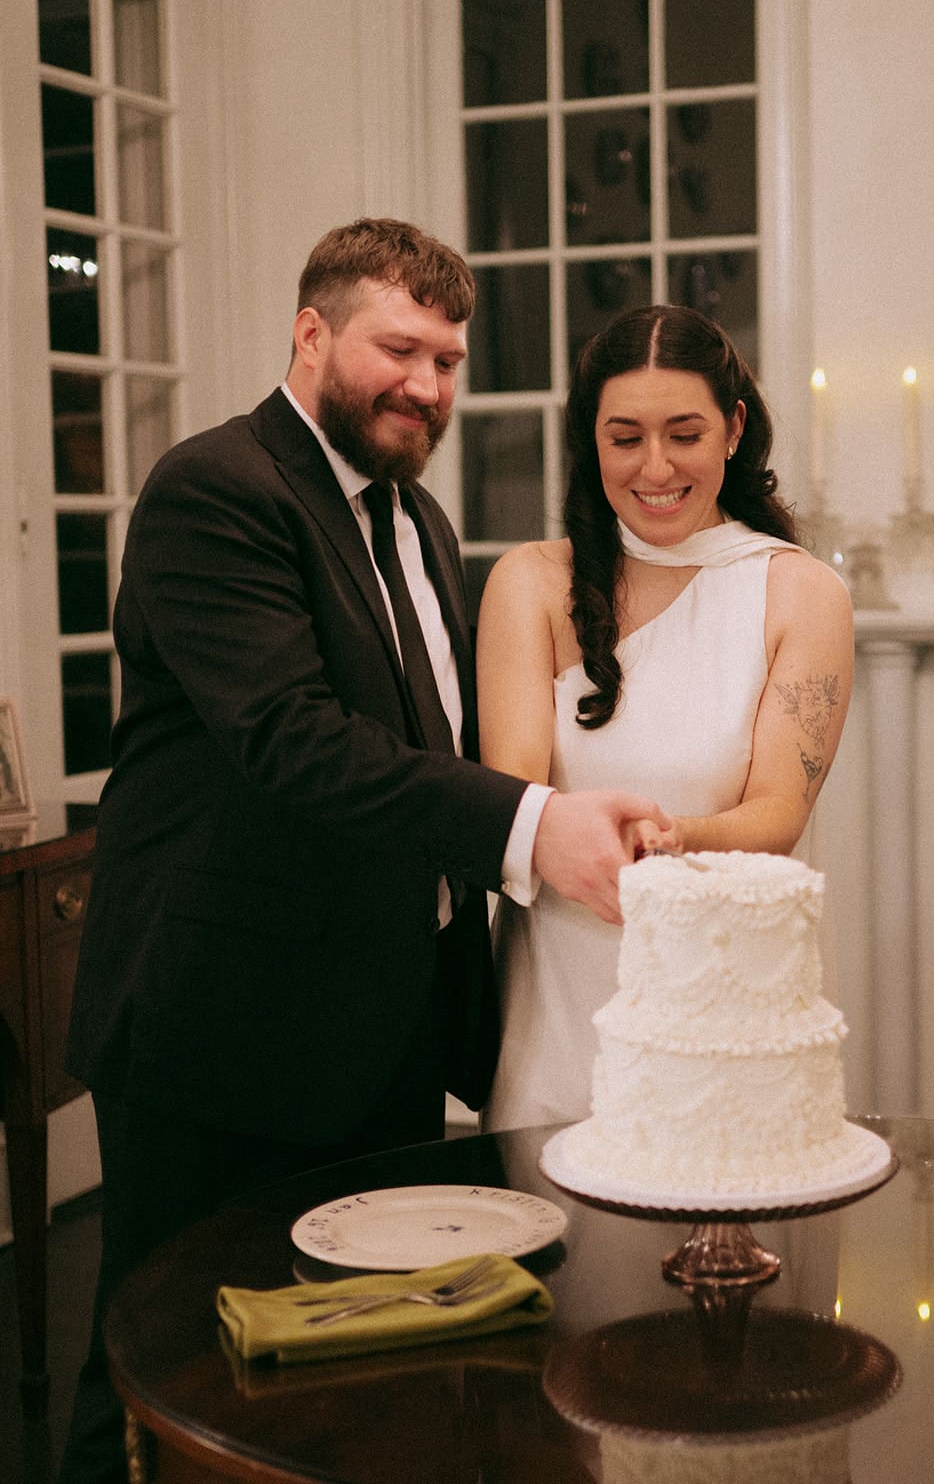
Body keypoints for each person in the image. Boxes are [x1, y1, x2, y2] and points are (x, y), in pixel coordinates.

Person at [59, 219, 666, 1484]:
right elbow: (293, 740)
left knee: (342, 1370)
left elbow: (420, 744)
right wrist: (531, 827)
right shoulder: (215, 487)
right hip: (220, 1025)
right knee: (161, 1364)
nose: (428, 387)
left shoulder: (418, 519)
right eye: (400, 349)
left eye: (448, 360)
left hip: (375, 1023)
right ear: (312, 332)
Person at [478, 304, 853, 1132]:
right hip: (558, 1017)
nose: (656, 467)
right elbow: (512, 790)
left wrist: (671, 838)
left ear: (733, 429)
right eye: (625, 438)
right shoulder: (529, 583)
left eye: (684, 434)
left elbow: (778, 814)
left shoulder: (801, 594)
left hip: (725, 1021)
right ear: (591, 441)